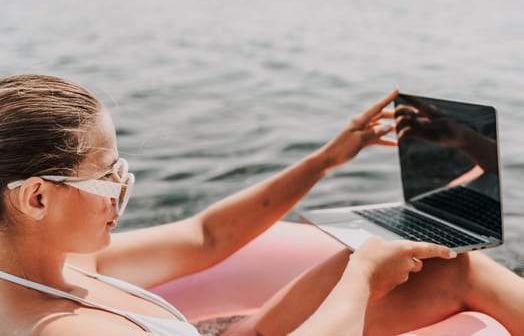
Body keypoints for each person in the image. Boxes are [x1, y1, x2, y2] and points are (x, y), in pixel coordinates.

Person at [0, 74, 522, 336]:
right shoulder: (67, 330)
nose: (123, 185)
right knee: (382, 265)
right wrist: (360, 280)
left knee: (448, 265)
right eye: (108, 174)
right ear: (38, 196)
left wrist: (327, 158)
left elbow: (207, 237)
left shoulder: (62, 266)